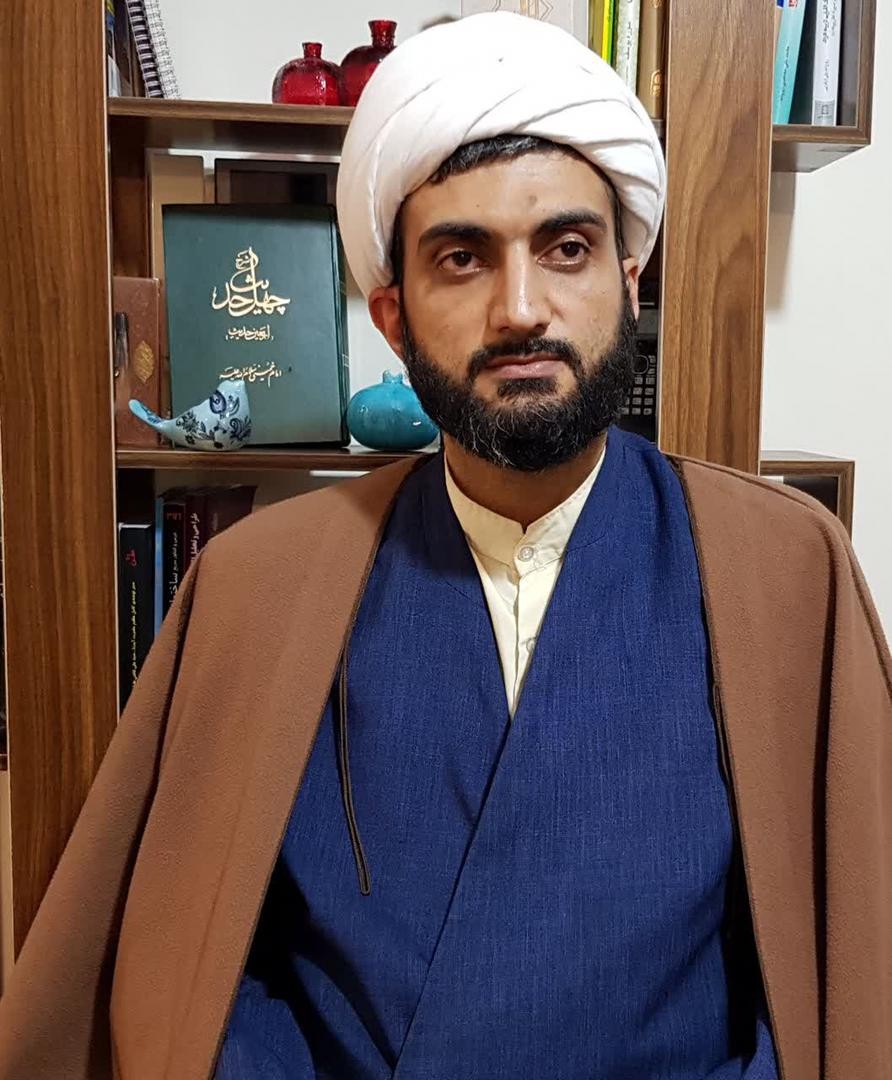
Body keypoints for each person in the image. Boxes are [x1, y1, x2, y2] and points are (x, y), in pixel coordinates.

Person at [0, 12, 890, 1080]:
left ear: (629, 280)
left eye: (566, 249)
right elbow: (201, 973)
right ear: (393, 315)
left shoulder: (783, 572)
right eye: (462, 259)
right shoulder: (255, 588)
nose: (520, 309)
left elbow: (834, 979)